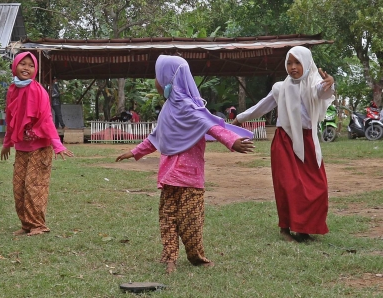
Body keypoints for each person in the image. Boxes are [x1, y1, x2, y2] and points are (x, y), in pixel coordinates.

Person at [116, 55, 254, 274]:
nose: (155, 81)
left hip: (190, 179)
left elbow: (210, 126)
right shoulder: (167, 110)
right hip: (169, 177)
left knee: (190, 222)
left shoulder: (190, 107)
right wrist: (133, 152)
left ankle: (196, 257)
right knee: (167, 219)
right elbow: (155, 138)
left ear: (168, 78)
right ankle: (169, 257)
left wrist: (232, 141)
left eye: (157, 76)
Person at [232, 46, 335, 242]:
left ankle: (305, 229)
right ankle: (285, 228)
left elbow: (322, 93)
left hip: (308, 142)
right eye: (289, 63)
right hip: (285, 141)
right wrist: (239, 118)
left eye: (297, 63)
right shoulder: (280, 87)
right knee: (289, 186)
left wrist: (329, 84)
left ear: (306, 63)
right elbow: (261, 106)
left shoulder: (315, 84)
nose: (293, 67)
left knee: (317, 187)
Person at [1, 52, 74, 236]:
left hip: (40, 147)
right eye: (22, 64)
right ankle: (26, 224)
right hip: (21, 147)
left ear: (35, 70)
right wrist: (7, 143)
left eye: (30, 65)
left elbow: (47, 119)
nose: (26, 68)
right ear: (15, 66)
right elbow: (11, 118)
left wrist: (57, 144)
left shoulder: (38, 90)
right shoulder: (12, 90)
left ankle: (38, 225)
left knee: (34, 185)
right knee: (19, 186)